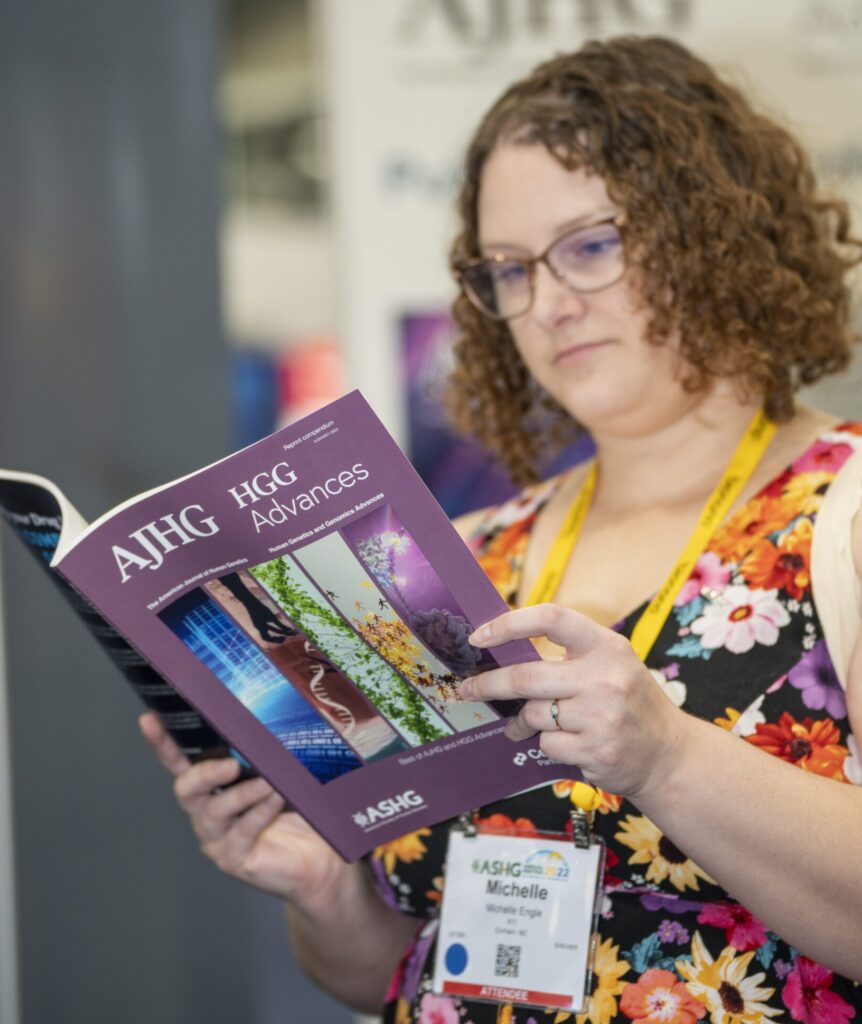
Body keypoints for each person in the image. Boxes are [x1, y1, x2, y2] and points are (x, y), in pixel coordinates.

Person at [140, 35, 862, 1024]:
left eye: (591, 245)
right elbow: (390, 968)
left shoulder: (842, 511)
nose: (549, 304)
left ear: (710, 229)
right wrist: (319, 884)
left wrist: (664, 757)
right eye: (508, 269)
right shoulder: (466, 553)